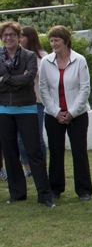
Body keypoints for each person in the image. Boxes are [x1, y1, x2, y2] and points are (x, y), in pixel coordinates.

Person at [0, 21, 56, 207]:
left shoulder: (30, 55)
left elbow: (29, 79)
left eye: (12, 34)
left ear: (18, 36)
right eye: (5, 35)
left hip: (27, 109)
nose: (8, 38)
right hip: (4, 110)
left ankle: (44, 194)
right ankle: (17, 193)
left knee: (34, 152)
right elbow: (20, 79)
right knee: (10, 153)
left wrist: (5, 79)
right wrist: (17, 79)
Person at [39, 25, 92, 201]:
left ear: (66, 40)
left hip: (77, 114)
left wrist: (72, 112)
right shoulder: (46, 61)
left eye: (57, 40)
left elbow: (85, 89)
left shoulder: (80, 60)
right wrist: (56, 112)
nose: (54, 44)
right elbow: (43, 88)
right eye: (51, 40)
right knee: (55, 151)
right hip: (53, 114)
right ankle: (55, 188)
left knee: (79, 151)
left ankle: (84, 190)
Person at [18, 25, 47, 177]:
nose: (19, 39)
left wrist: (28, 73)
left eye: (22, 36)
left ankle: (42, 167)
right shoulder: (17, 55)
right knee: (20, 139)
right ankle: (27, 168)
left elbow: (41, 76)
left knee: (37, 137)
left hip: (37, 102)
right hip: (19, 102)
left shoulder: (42, 56)